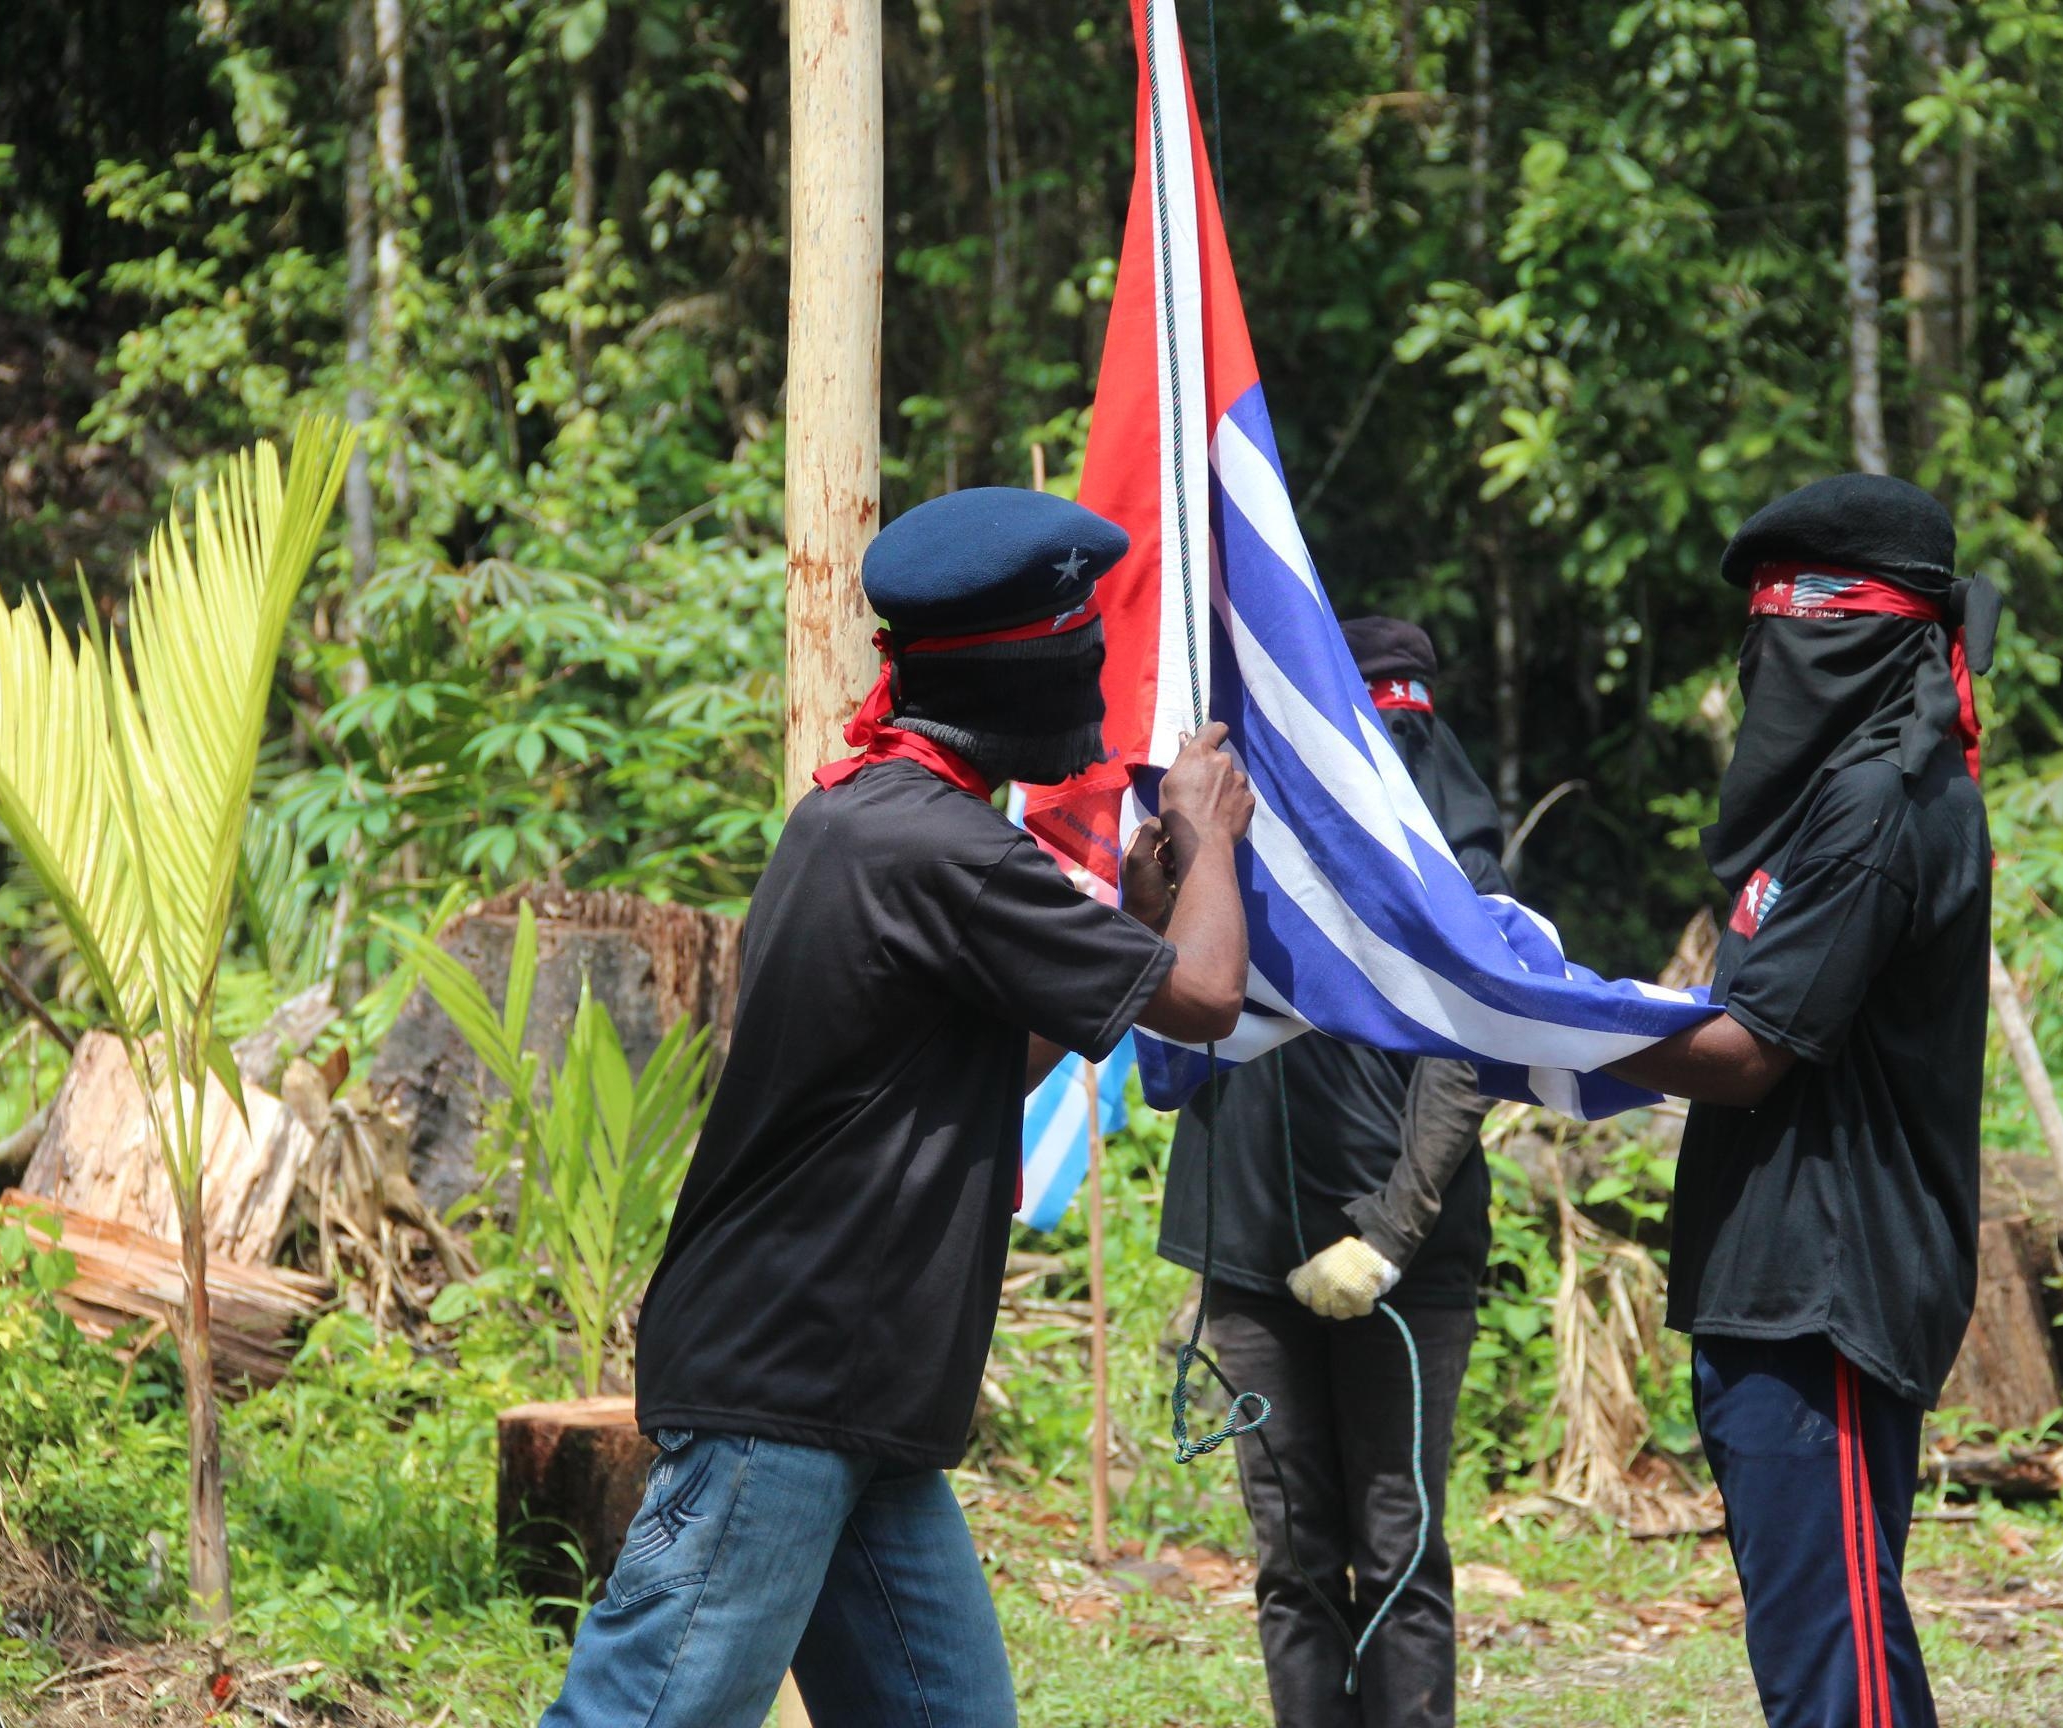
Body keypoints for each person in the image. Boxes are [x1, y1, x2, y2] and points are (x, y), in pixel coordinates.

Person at [539, 485, 1257, 1728]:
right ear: (1017, 680)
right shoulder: (942, 851)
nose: (1096, 692)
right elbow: (1206, 998)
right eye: (1080, 656)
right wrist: (1211, 836)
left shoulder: (859, 821)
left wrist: (1133, 922)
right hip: (788, 1387)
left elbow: (986, 1066)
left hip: (854, 1396)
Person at [1605, 473, 2003, 1728]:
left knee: (1836, 1677)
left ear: (1861, 639)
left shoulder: (1879, 802)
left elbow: (1752, 1051)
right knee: (1823, 1651)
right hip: (1774, 1275)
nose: (1770, 663)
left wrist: (1544, 1029)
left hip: (1827, 1284)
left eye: (1800, 626)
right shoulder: (1842, 792)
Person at [1156, 615, 1510, 1728]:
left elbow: (1473, 1048)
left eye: (1409, 708)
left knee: (1399, 1547)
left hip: (1407, 1258)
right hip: (1249, 1239)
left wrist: (1391, 1233)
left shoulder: (1454, 842)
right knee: (1294, 1551)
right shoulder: (1238, 828)